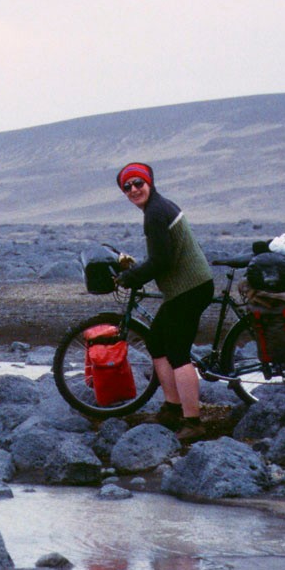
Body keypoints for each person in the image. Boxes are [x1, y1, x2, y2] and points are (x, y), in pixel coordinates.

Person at [113, 162, 214, 442]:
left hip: (190, 288)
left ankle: (193, 422)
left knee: (178, 352)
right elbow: (162, 256)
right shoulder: (157, 207)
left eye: (138, 183)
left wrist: (132, 278)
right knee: (157, 340)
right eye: (127, 186)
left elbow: (162, 261)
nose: (134, 189)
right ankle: (171, 407)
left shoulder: (155, 213)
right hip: (188, 287)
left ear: (150, 183)